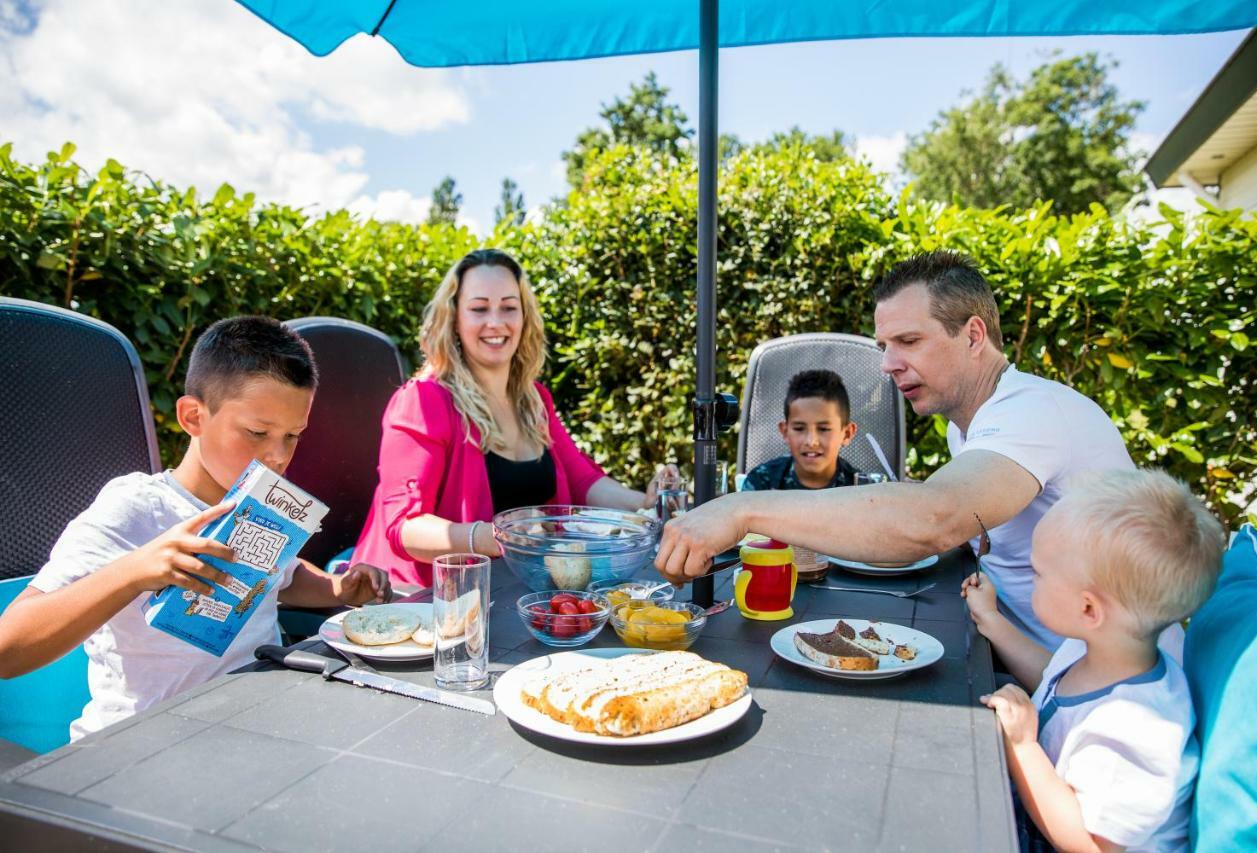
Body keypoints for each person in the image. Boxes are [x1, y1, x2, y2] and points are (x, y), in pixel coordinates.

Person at [656, 249, 1135, 650]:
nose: (887, 365)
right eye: (885, 345)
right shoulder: (971, 425)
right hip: (1034, 661)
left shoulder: (1032, 411)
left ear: (973, 336)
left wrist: (742, 510)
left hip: (1096, 705)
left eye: (908, 341)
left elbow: (933, 518)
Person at [0, 317, 390, 741]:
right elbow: (9, 648)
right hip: (139, 747)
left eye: (293, 435)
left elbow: (283, 577)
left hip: (251, 727)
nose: (278, 456)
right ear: (192, 416)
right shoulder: (137, 508)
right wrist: (133, 571)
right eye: (257, 432)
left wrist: (338, 589)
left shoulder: (258, 506)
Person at [353, 248, 672, 587]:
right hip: (415, 598)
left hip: (508, 590)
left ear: (524, 317)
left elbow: (583, 482)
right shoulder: (422, 400)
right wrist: (497, 537)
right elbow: (404, 528)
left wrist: (648, 505)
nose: (496, 322)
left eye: (508, 307)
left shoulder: (535, 400)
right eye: (479, 309)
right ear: (454, 319)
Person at [967, 469, 1223, 851]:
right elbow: (1053, 678)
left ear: (1088, 609)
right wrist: (993, 622)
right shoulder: (1101, 653)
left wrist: (1022, 746)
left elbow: (1091, 844)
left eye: (1037, 573)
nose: (1031, 577)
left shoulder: (1136, 727)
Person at [740, 369, 862, 492]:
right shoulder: (761, 484)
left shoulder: (860, 490)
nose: (811, 441)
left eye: (824, 429)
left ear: (847, 434)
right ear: (785, 431)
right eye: (799, 429)